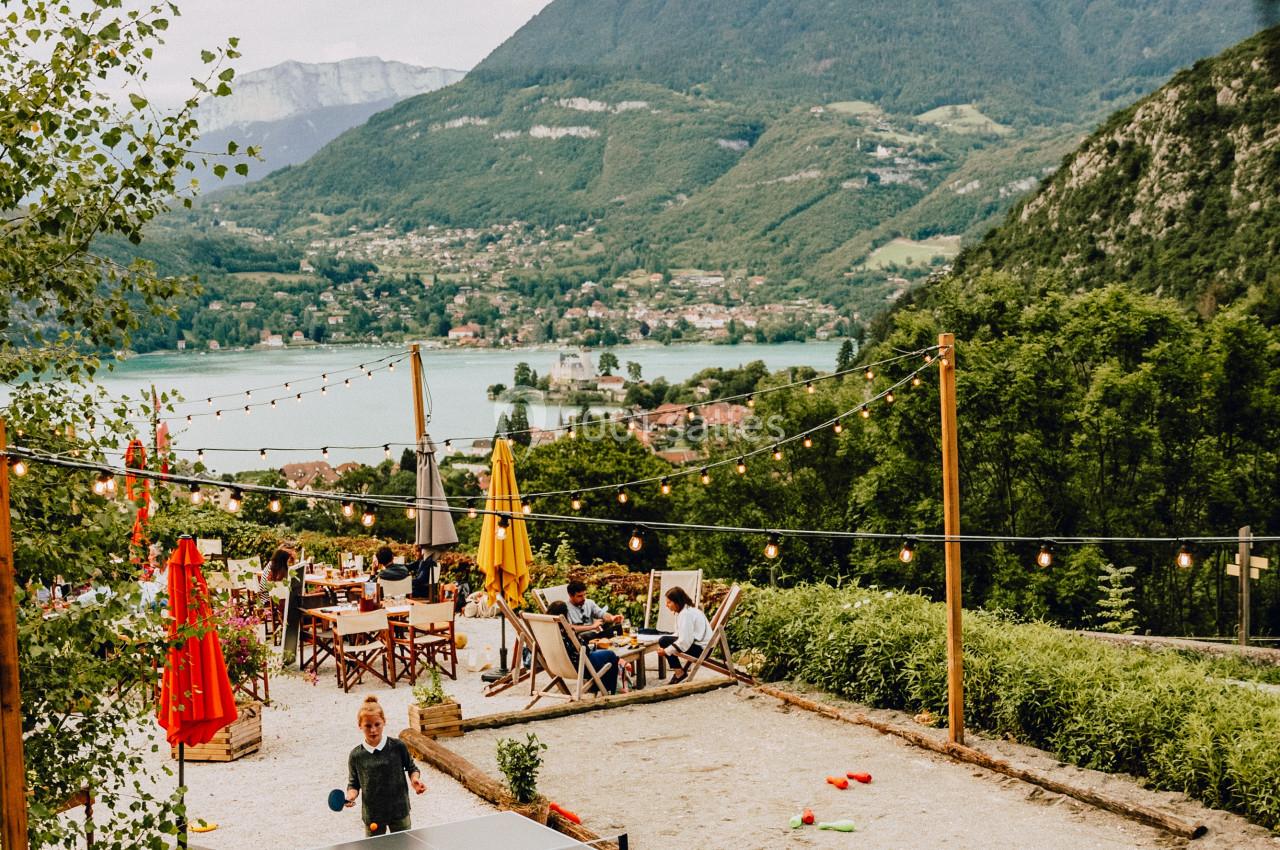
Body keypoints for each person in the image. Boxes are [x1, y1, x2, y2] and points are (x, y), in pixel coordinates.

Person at [344, 694, 426, 836]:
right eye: (367, 726)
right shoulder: (356, 755)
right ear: (360, 726)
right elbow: (354, 784)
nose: (373, 730)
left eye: (377, 724)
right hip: (373, 815)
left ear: (384, 722)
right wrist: (350, 796)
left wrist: (415, 780)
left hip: (399, 810)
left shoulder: (398, 746)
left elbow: (412, 768)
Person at [546, 600, 618, 694]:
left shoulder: (546, 631)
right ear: (565, 614)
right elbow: (585, 650)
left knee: (599, 655)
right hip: (579, 667)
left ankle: (596, 687)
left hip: (557, 666)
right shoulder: (567, 631)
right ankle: (609, 690)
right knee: (611, 655)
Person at [657, 586, 713, 686]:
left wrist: (666, 651)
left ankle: (680, 674)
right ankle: (679, 673)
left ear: (677, 602)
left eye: (669, 602)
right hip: (704, 647)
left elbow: (685, 641)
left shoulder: (686, 614)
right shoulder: (687, 610)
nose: (666, 605)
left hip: (702, 651)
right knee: (665, 640)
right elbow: (680, 635)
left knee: (664, 641)